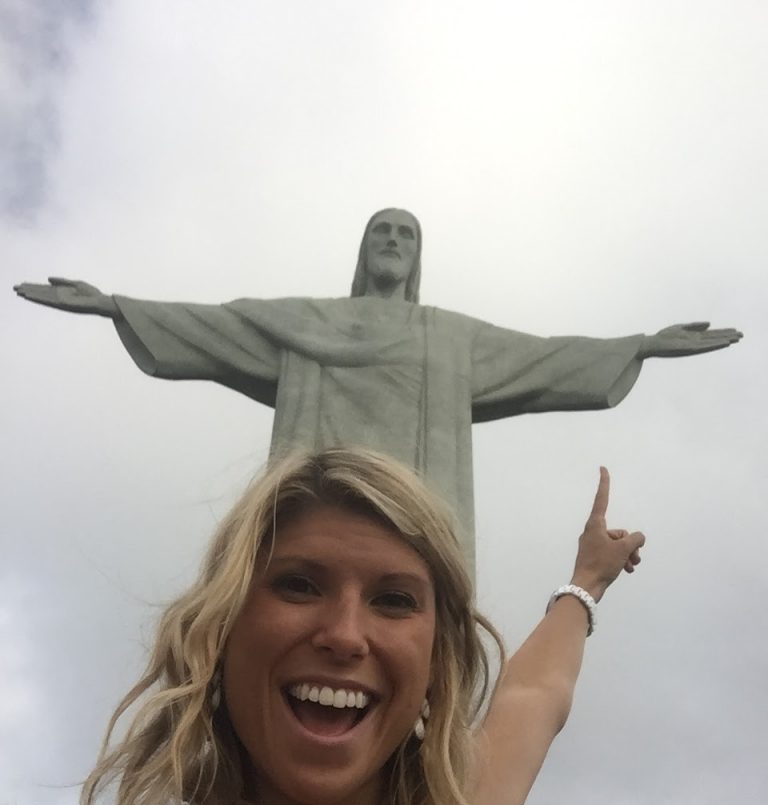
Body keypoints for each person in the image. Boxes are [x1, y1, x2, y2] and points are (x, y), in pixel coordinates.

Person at [0, 447, 643, 805]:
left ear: (435, 662)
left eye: (393, 600)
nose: (344, 634)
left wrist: (586, 581)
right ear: (222, 632)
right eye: (299, 585)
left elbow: (534, 697)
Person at [13, 207, 737, 564]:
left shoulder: (449, 338)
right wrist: (114, 305)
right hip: (310, 526)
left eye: (406, 234)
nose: (392, 241)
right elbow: (215, 328)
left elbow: (544, 358)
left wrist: (641, 345)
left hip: (415, 537)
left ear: (417, 257)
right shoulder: (307, 320)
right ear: (363, 251)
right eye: (381, 232)